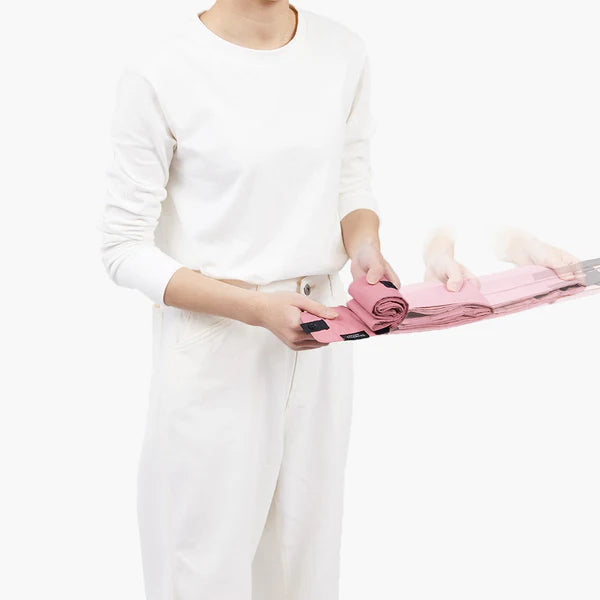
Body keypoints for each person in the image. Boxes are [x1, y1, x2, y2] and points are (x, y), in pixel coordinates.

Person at [100, 2, 399, 599]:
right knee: (202, 566)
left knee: (304, 563)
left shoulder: (342, 50)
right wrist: (256, 310)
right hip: (217, 341)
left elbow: (350, 180)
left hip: (321, 335)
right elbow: (122, 248)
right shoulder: (162, 69)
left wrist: (365, 249)